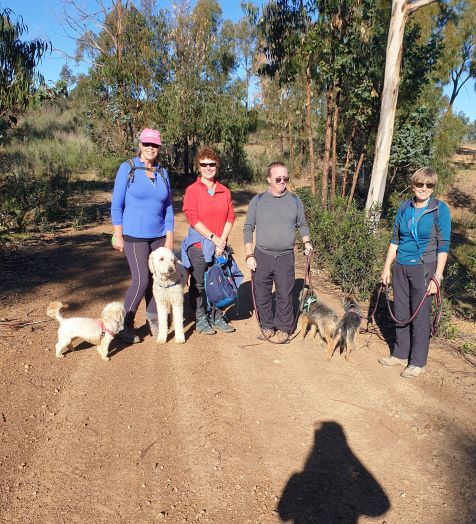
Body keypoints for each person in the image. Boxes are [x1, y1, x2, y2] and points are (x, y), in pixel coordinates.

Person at [378, 167, 451, 378]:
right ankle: (400, 354)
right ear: (413, 185)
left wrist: (437, 276)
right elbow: (394, 239)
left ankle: (418, 361)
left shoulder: (440, 209)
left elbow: (443, 245)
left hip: (424, 267)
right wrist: (386, 268)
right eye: (420, 184)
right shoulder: (405, 207)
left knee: (419, 315)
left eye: (429, 185)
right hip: (401, 265)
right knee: (401, 312)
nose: (424, 189)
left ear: (433, 187)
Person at [111, 128, 174, 343]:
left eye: (154, 145)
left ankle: (154, 319)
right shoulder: (128, 168)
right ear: (140, 145)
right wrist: (117, 234)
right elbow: (117, 205)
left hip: (158, 235)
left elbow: (168, 208)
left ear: (159, 148)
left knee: (157, 278)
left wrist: (169, 236)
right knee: (141, 279)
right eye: (147, 144)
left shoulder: (163, 173)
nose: (150, 148)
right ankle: (124, 325)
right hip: (133, 235)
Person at [243, 162, 313, 344]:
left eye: (286, 178)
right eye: (278, 178)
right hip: (262, 255)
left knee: (285, 295)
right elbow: (248, 228)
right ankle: (266, 326)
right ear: (269, 180)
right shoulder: (257, 201)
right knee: (263, 294)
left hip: (285, 257)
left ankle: (283, 328)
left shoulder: (295, 201)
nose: (283, 182)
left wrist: (307, 242)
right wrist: (249, 254)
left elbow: (302, 224)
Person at [181, 147, 235, 335]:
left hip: (220, 246)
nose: (208, 168)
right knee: (199, 284)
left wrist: (222, 242)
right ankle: (200, 317)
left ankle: (217, 315)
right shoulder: (192, 190)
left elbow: (230, 217)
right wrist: (213, 238)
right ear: (199, 166)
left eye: (211, 164)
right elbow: (192, 218)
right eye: (204, 164)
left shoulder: (224, 191)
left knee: (219, 281)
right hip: (198, 246)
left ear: (216, 165)